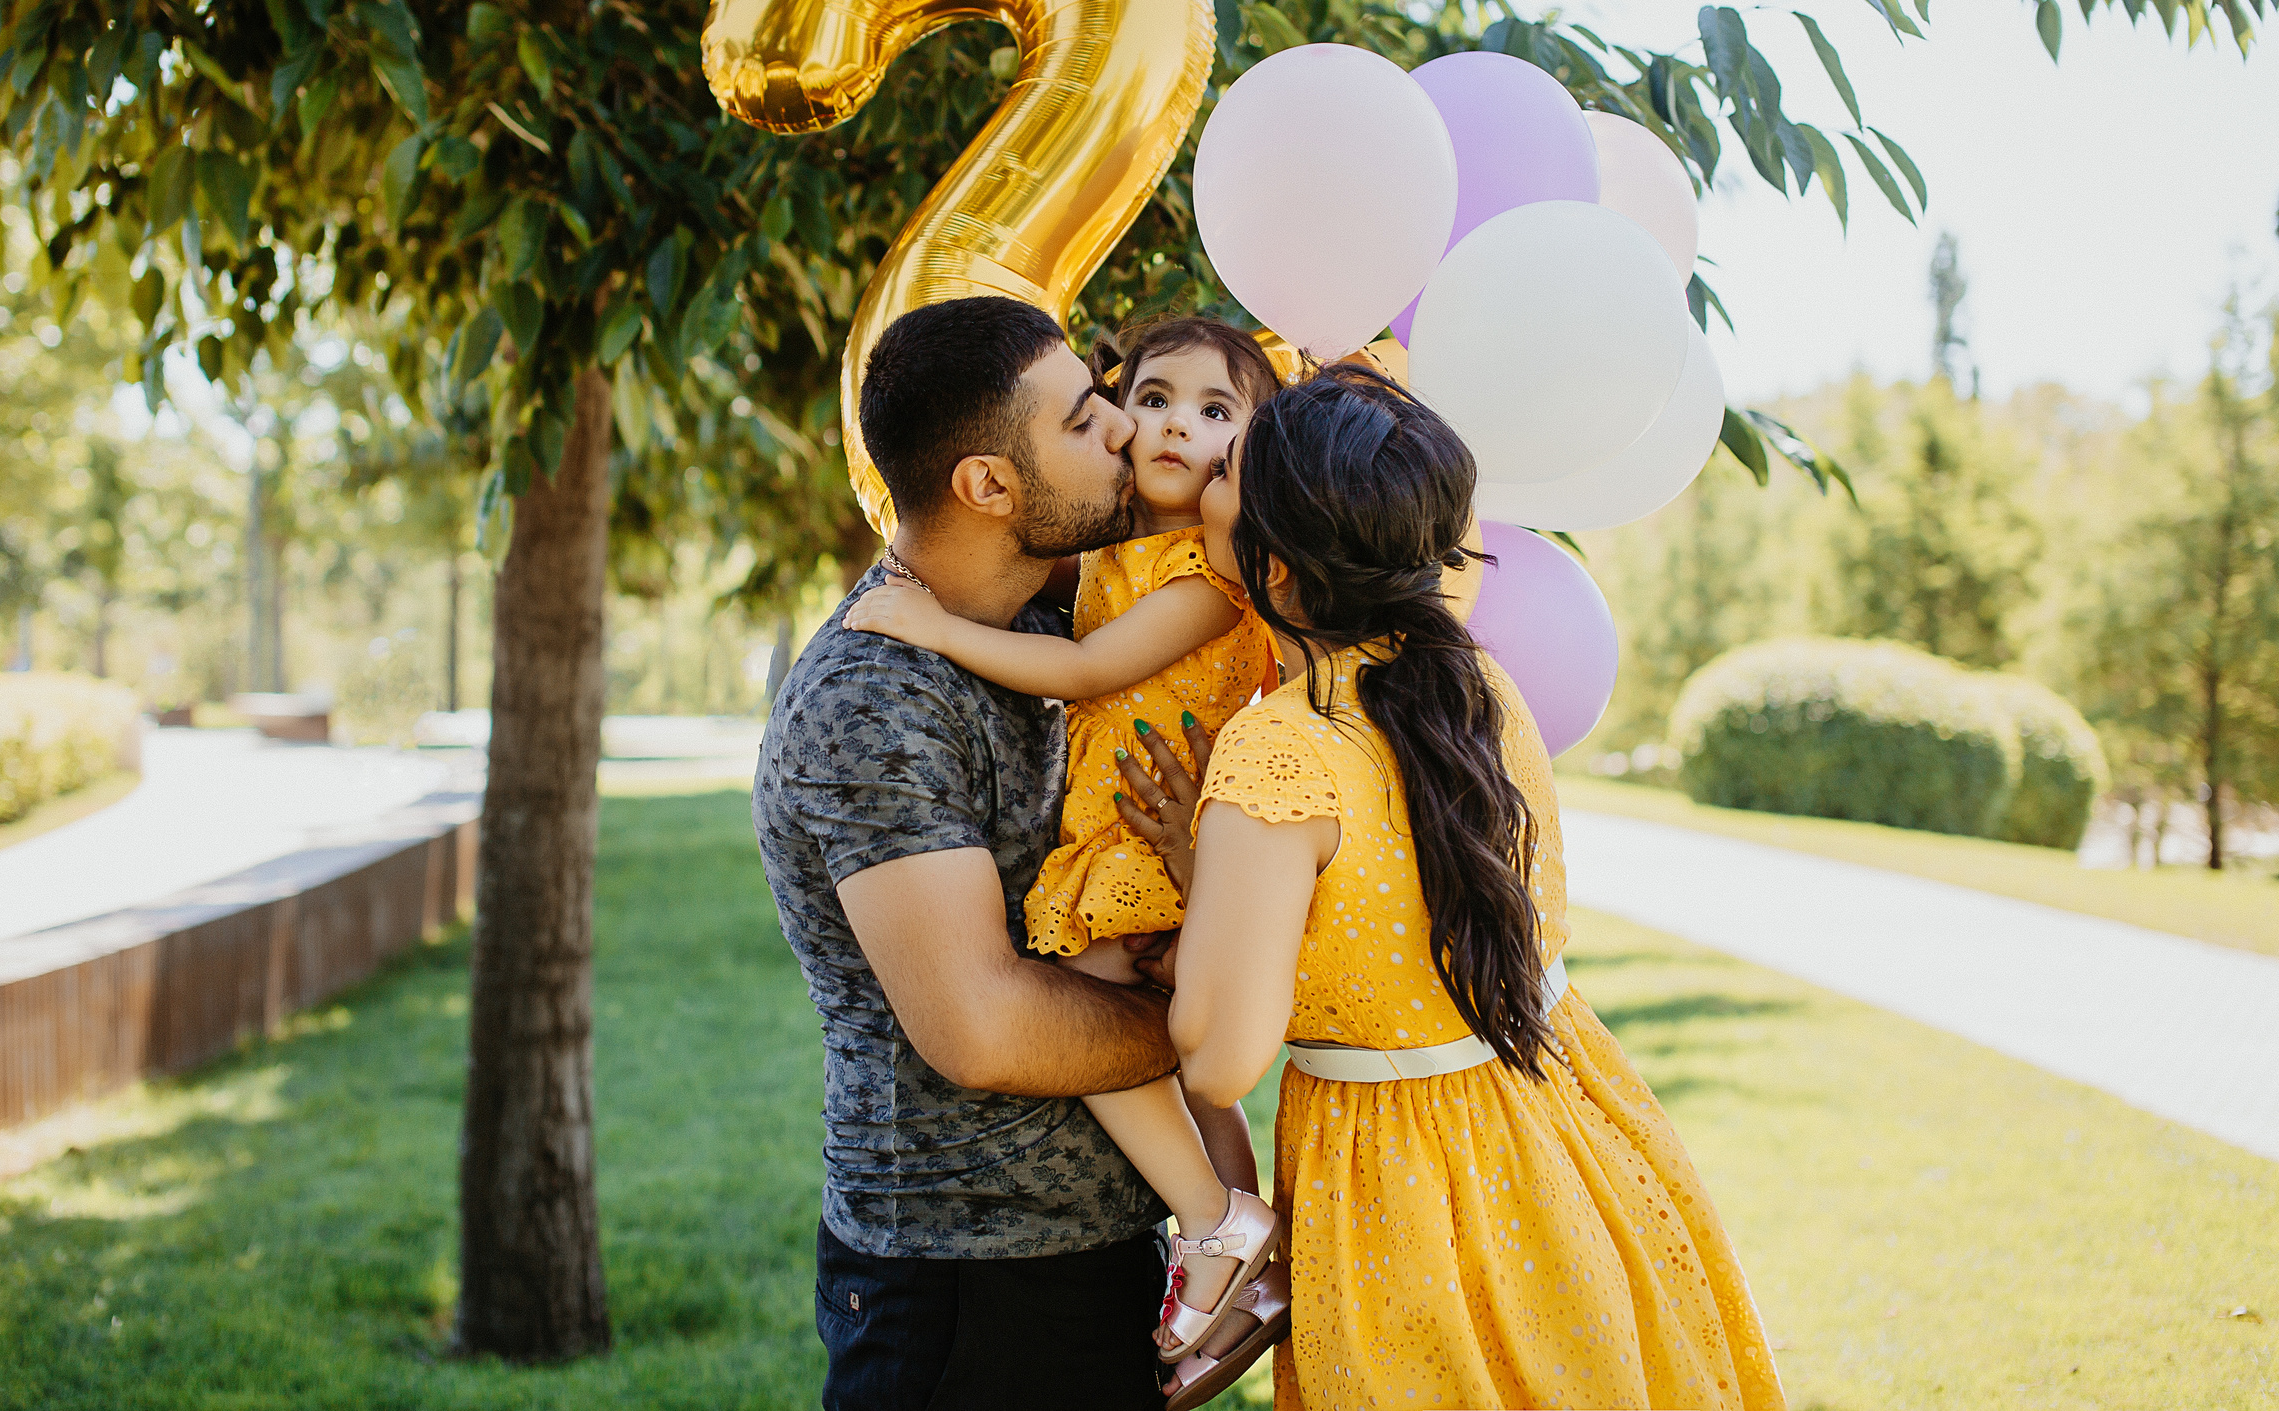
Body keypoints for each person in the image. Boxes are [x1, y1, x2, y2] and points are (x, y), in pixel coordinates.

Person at [1141, 360, 1788, 1410]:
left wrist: (1202, 879)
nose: (1201, 477)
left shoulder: (1278, 749)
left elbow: (1219, 1055)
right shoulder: (1477, 685)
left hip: (1403, 1182)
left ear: (1277, 567)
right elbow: (1394, 895)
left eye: (1227, 478)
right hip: (1566, 1121)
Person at [753, 295, 1217, 1410]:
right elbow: (985, 1030)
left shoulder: (1056, 633)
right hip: (965, 1295)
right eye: (1079, 420)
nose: (1120, 427)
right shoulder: (874, 694)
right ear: (988, 487)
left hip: (1093, 1259)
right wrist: (1217, 1022)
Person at [844, 314, 1290, 1390]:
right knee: (1184, 1066)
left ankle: (1214, 1222)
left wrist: (939, 626)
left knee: (1097, 989)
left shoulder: (1199, 575)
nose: (1160, 429)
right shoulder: (1095, 560)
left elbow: (1092, 667)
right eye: (1138, 403)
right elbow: (984, 1032)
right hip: (963, 1268)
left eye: (1214, 413)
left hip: (1137, 832)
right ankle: (1234, 1232)